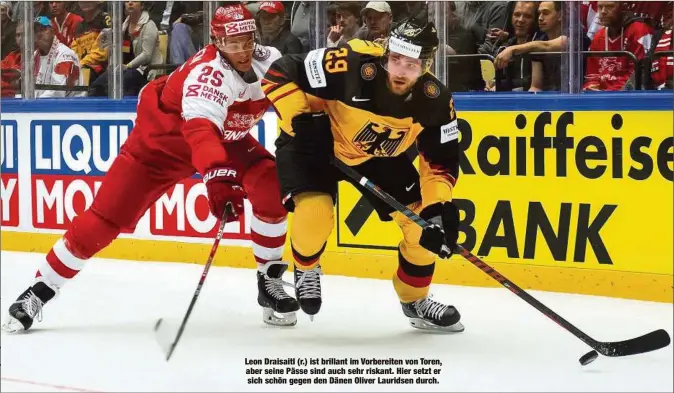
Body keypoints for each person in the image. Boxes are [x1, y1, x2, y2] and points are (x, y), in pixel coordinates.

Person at [2, 4, 299, 334]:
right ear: (216, 41)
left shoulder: (270, 59)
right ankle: (39, 292)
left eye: (247, 41)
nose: (242, 50)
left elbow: (306, 96)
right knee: (102, 221)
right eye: (233, 43)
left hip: (225, 139)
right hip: (159, 148)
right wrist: (216, 173)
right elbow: (199, 130)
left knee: (270, 184)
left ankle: (269, 281)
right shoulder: (207, 74)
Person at [262, 15, 463, 332]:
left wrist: (440, 207)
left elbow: (441, 160)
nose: (400, 71)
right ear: (386, 53)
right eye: (395, 59)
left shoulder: (436, 101)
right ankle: (306, 267)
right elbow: (279, 72)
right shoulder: (352, 61)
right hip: (315, 139)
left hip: (375, 155)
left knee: (422, 226)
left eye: (411, 65)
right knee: (315, 214)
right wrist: (299, 118)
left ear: (427, 65)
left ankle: (415, 300)